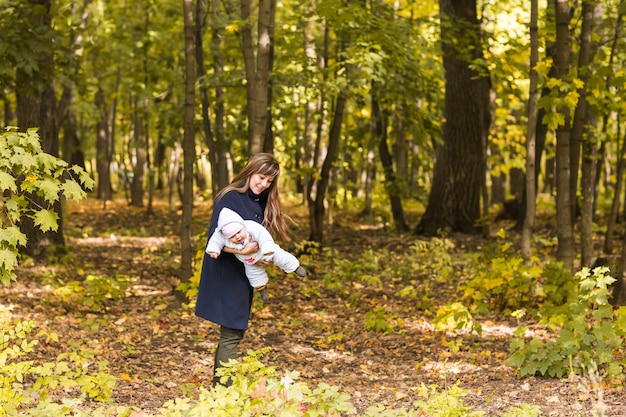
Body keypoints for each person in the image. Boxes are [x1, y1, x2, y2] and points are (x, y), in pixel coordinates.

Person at [195, 153, 298, 386]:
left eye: (269, 181)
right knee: (232, 332)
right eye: (261, 177)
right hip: (225, 272)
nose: (264, 184)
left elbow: (255, 238)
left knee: (234, 332)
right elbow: (214, 240)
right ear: (251, 171)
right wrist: (245, 251)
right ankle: (222, 392)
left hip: (243, 273)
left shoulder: (260, 200)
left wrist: (260, 255)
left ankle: (221, 390)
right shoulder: (229, 197)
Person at [205, 207, 307, 303]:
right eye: (232, 236)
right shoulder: (221, 234)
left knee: (281, 257)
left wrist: (267, 248)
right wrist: (213, 250)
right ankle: (262, 289)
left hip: (265, 251)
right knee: (254, 275)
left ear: (242, 226)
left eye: (239, 232)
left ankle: (295, 267)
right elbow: (215, 241)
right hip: (249, 261)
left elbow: (264, 235)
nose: (237, 237)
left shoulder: (251, 227)